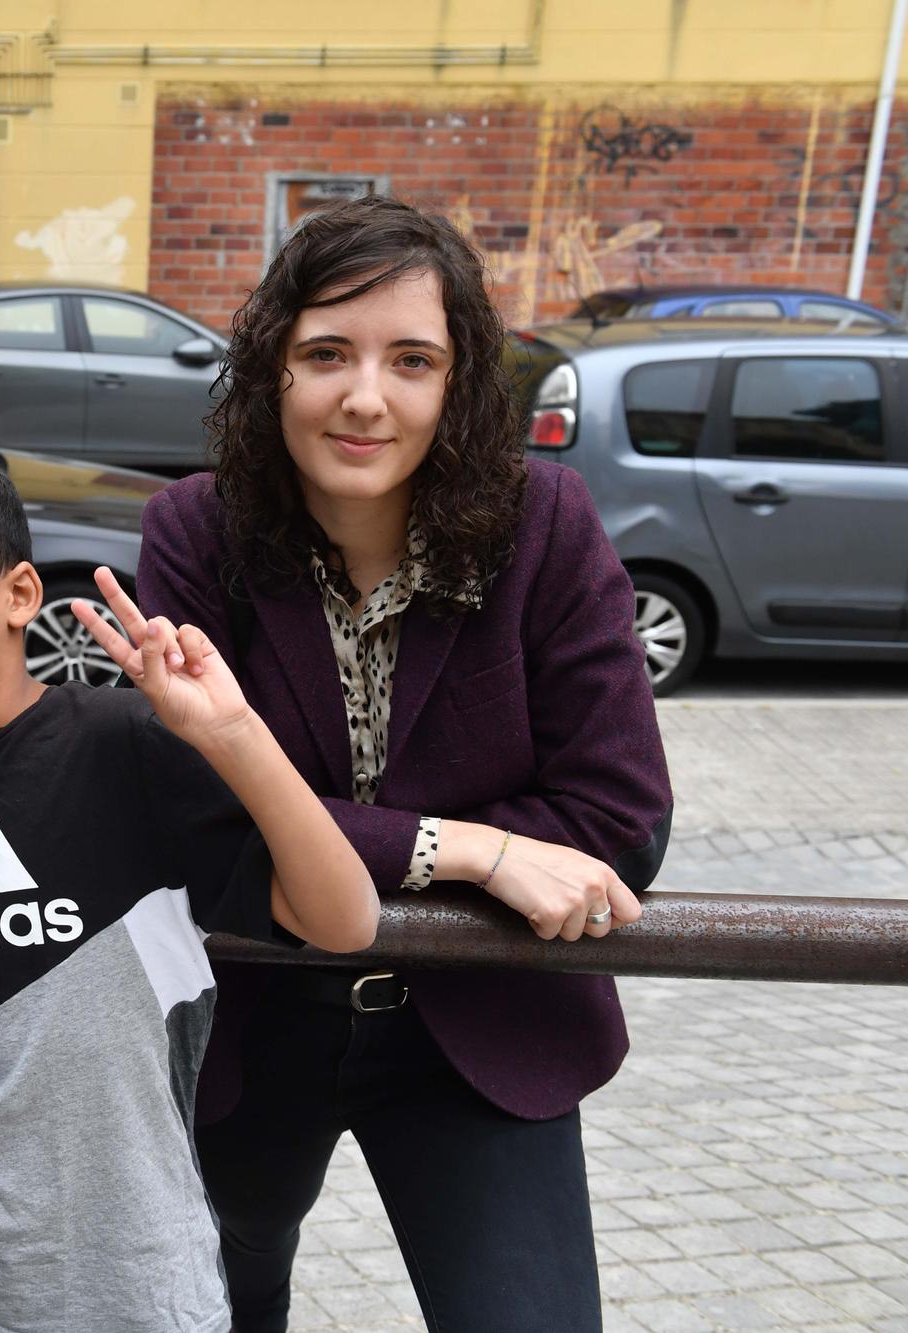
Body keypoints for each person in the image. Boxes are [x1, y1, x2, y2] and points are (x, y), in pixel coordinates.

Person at [136, 195, 675, 1332]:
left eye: (410, 360)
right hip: (252, 1017)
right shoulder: (197, 533)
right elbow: (196, 824)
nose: (364, 397)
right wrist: (469, 846)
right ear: (271, 368)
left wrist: (315, 830)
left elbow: (620, 817)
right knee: (216, 1305)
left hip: (479, 1023)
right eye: (324, 353)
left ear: (457, 382)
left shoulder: (544, 528)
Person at [0, 449, 379, 1333]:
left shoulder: (125, 743)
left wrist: (234, 732)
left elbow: (345, 919)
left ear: (19, 595)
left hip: (127, 1275)